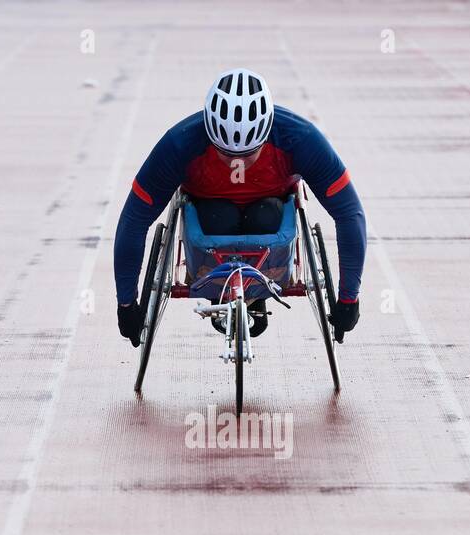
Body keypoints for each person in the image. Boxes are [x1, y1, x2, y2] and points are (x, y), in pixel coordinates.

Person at [113, 68, 366, 346]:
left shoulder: (301, 139)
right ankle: (220, 287)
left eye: (249, 154)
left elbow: (349, 212)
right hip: (210, 220)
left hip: (269, 217)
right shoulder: (179, 144)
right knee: (219, 216)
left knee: (266, 213)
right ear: (209, 135)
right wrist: (126, 304)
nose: (238, 163)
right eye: (226, 154)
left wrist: (348, 298)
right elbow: (134, 220)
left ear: (267, 132)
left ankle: (256, 292)